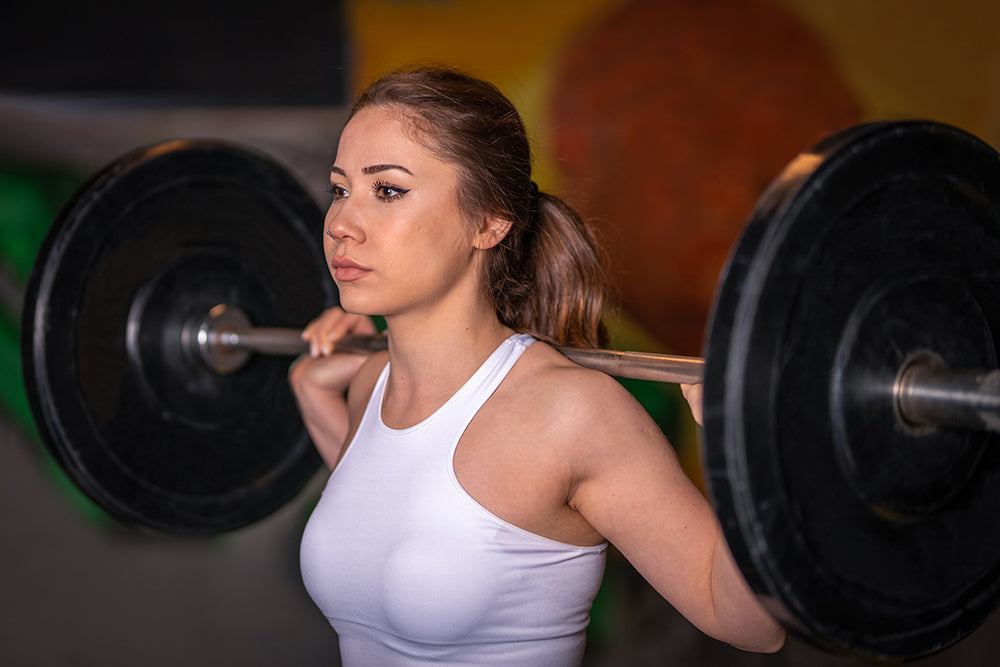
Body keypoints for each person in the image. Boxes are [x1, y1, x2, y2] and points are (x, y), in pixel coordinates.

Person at [290, 65, 785, 666]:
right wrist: (311, 390)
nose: (341, 224)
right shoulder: (371, 384)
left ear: (489, 221)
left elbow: (752, 627)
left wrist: (749, 452)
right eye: (339, 189)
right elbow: (397, 519)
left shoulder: (572, 413)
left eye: (387, 190)